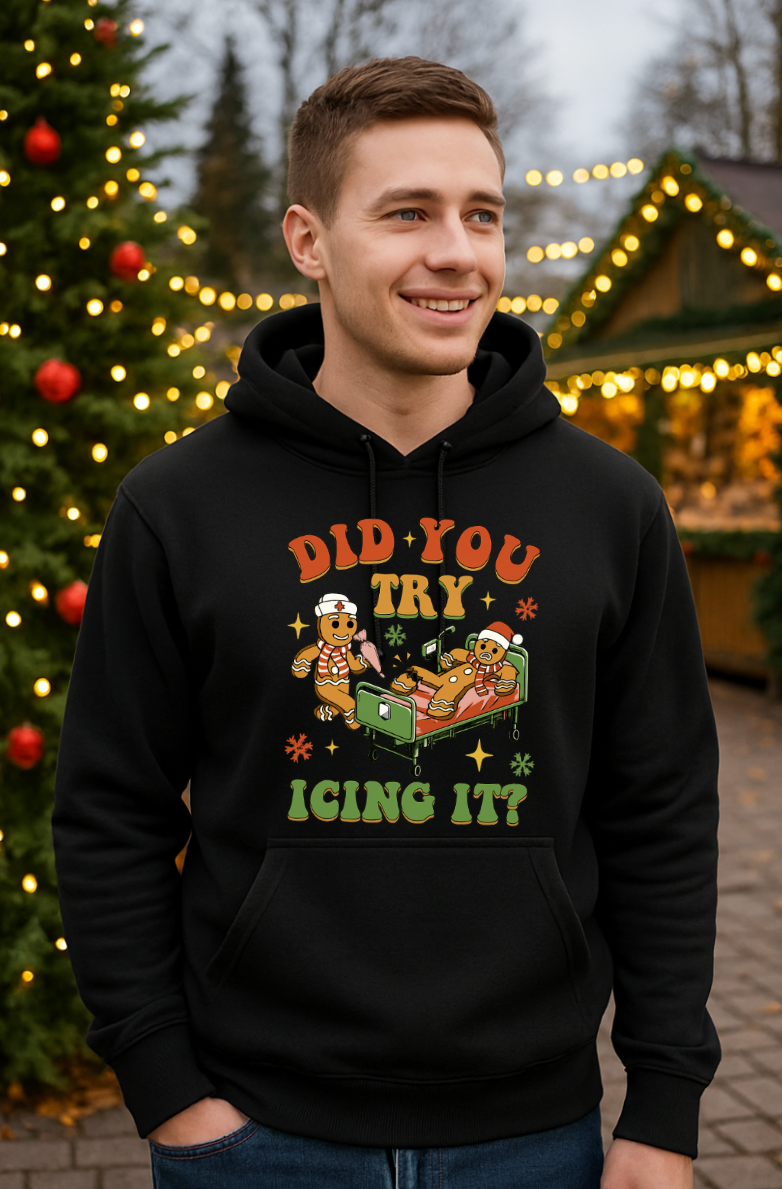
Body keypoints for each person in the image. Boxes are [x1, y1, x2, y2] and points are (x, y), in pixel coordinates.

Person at [52, 56, 720, 1189]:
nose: (455, 252)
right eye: (406, 212)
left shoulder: (608, 508)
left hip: (535, 1138)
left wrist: (660, 1111)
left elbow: (658, 810)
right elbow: (108, 808)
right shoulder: (178, 506)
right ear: (309, 241)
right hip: (253, 1138)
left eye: (480, 214)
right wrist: (168, 1090)